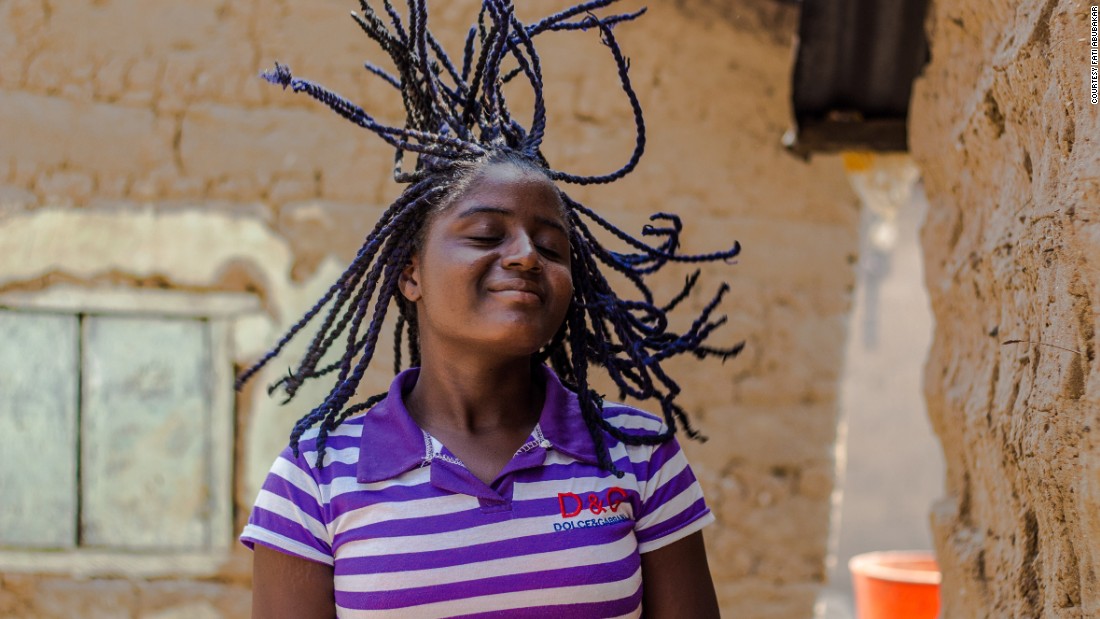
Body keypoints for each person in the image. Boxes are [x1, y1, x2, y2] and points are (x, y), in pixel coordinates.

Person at [238, 2, 742, 617]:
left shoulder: (636, 455)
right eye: (485, 235)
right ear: (410, 273)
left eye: (552, 246)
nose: (527, 257)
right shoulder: (316, 480)